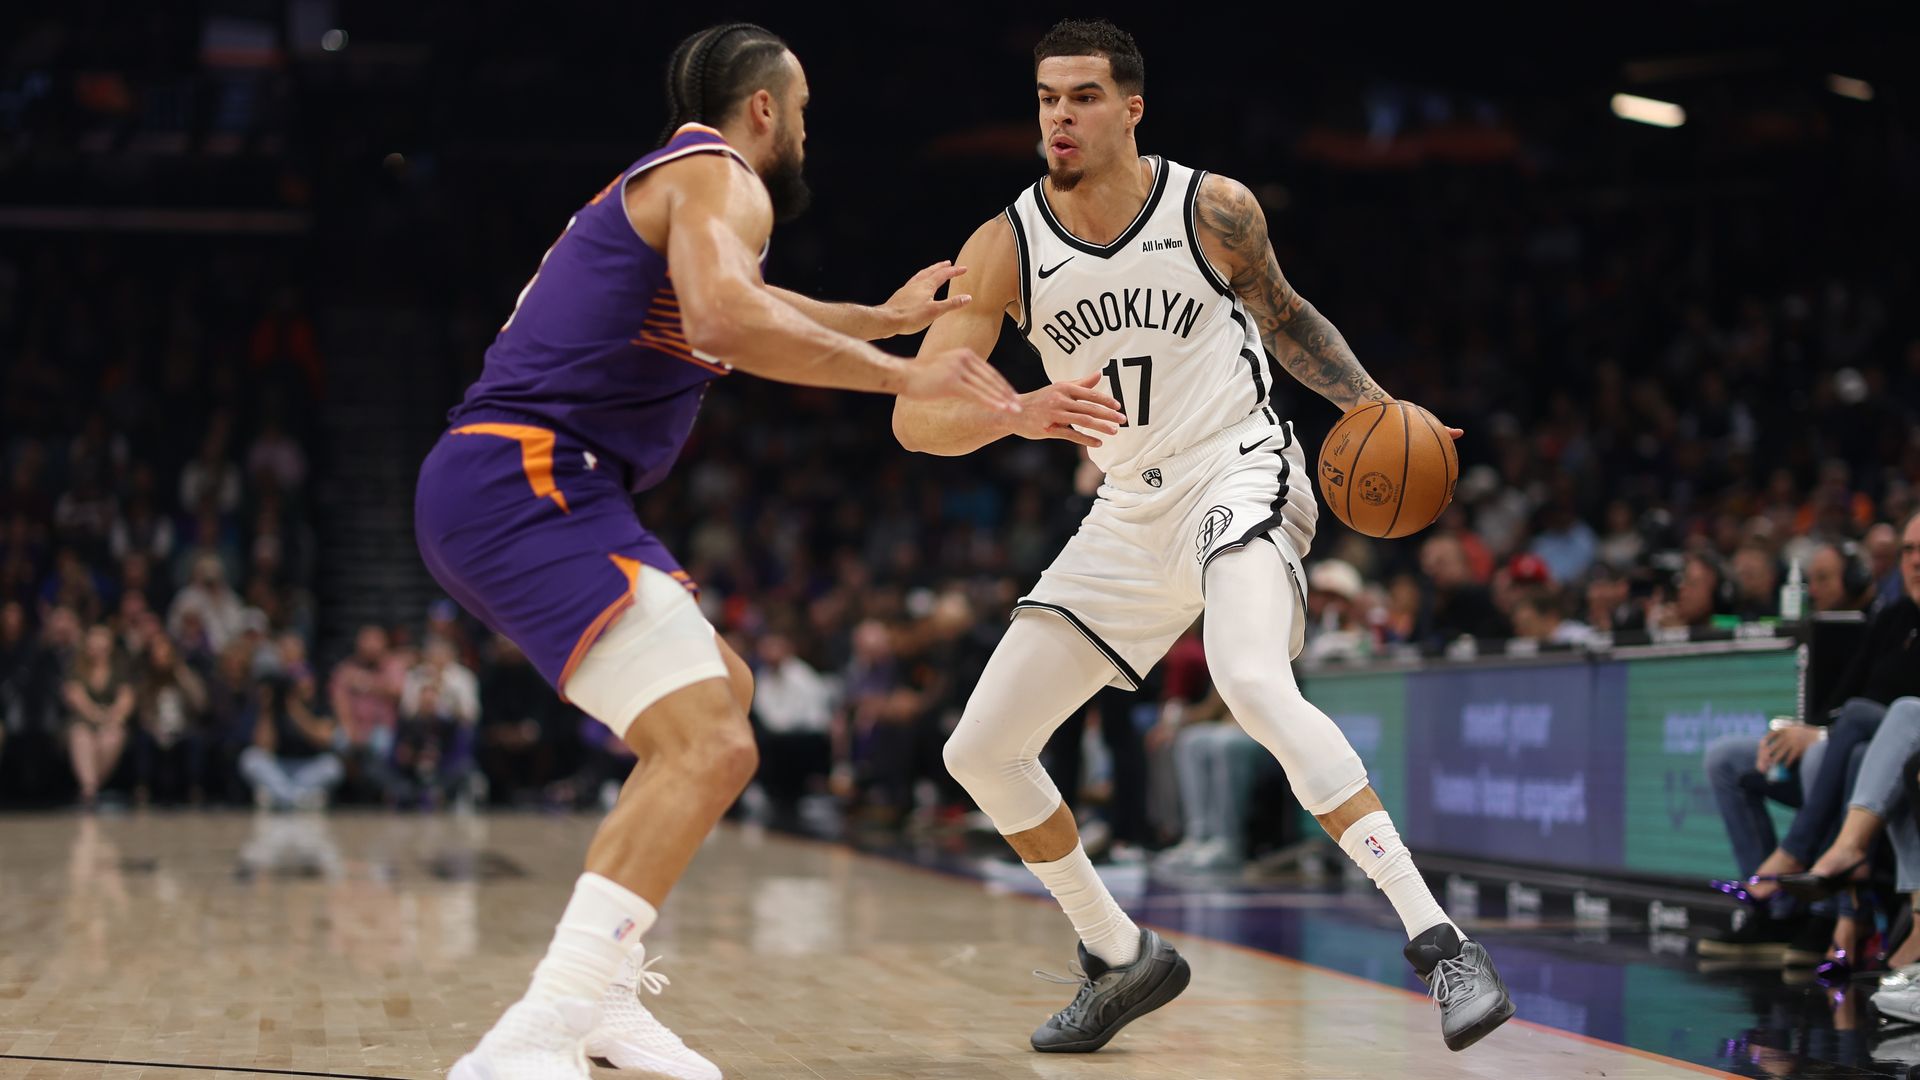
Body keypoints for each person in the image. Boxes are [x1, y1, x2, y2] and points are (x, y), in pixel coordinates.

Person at [893, 18, 1511, 1054]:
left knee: (1253, 679)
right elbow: (916, 414)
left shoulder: (1210, 206)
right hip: (1129, 508)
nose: (1060, 116)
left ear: (1131, 108)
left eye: (1083, 96)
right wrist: (1013, 411)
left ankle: (1442, 942)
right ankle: (1120, 953)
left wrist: (1377, 406)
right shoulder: (1004, 244)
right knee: (982, 749)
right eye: (1047, 97)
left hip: (1243, 465)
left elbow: (1286, 316)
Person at [414, 22, 1019, 1080]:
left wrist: (881, 319)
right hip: (529, 476)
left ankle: (600, 998)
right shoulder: (722, 173)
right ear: (765, 110)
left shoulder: (686, 192)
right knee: (712, 743)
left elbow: (751, 301)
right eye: (805, 114)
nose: (806, 137)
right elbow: (727, 318)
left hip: (536, 481)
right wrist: (904, 376)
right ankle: (540, 1031)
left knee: (722, 699)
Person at [63, 623, 133, 809]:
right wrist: (97, 716)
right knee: (81, 737)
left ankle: (89, 791)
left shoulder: (119, 668)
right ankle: (90, 791)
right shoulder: (76, 666)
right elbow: (76, 697)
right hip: (82, 720)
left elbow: (126, 699)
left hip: (111, 720)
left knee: (112, 736)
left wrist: (111, 717)